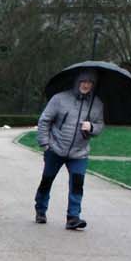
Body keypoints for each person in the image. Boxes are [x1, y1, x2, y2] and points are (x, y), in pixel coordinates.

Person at [34, 69, 105, 230]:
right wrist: (45, 144)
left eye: (90, 82)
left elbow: (100, 126)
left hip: (80, 153)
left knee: (77, 184)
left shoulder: (97, 104)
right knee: (47, 181)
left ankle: (73, 217)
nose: (86, 85)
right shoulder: (59, 99)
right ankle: (40, 210)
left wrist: (92, 127)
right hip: (55, 149)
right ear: (77, 81)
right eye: (83, 81)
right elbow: (44, 120)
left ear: (93, 85)